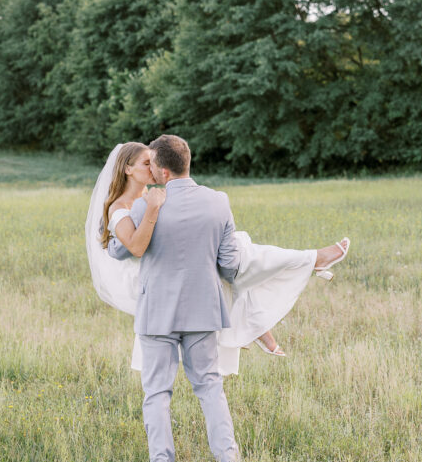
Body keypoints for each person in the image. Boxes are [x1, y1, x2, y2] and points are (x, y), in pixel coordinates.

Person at [85, 140, 350, 375]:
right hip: (149, 276)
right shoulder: (123, 206)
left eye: (153, 162)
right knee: (234, 255)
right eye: (147, 163)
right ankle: (308, 265)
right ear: (128, 169)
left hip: (170, 263)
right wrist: (154, 210)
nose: (153, 167)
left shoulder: (149, 196)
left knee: (231, 253)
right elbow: (130, 248)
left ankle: (268, 312)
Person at [116, 134, 241, 462]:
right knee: (210, 386)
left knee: (156, 393)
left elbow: (119, 249)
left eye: (152, 164)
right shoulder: (219, 202)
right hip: (203, 309)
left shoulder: (144, 206)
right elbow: (229, 263)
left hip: (157, 312)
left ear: (164, 171)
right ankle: (228, 460)